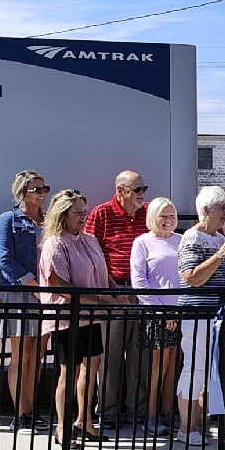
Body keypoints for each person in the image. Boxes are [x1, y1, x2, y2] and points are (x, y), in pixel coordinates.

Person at [37, 189, 110, 448]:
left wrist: (116, 295)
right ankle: (62, 428)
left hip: (91, 317)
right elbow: (58, 284)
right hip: (66, 319)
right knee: (69, 371)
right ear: (63, 215)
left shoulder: (90, 240)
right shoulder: (55, 243)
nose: (83, 216)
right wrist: (100, 301)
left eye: (84, 211)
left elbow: (101, 270)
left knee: (92, 369)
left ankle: (84, 421)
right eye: (77, 212)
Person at [84, 170, 149, 426]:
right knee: (110, 354)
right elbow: (91, 251)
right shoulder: (102, 213)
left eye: (144, 188)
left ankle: (138, 411)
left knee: (140, 354)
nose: (143, 195)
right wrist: (110, 289)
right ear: (121, 190)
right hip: (113, 292)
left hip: (143, 292)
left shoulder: (148, 214)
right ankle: (108, 412)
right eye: (137, 190)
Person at [177, 186, 225, 447]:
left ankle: (202, 423)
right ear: (205, 211)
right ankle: (185, 427)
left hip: (218, 314)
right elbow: (191, 277)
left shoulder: (217, 237)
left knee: (210, 369)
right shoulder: (191, 238)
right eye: (221, 208)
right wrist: (220, 255)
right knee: (195, 367)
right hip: (198, 313)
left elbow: (214, 276)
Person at [0, 170, 49, 434]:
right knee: (22, 355)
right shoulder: (8, 220)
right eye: (36, 189)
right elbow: (5, 260)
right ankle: (20, 414)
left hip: (46, 294)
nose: (42, 194)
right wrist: (34, 286)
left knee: (38, 355)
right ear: (21, 193)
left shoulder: (49, 222)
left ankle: (31, 409)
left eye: (44, 188)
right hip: (20, 293)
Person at [130, 197, 183, 438]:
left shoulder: (182, 241)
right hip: (157, 313)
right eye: (163, 215)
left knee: (174, 366)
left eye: (172, 215)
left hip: (182, 312)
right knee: (157, 366)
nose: (168, 220)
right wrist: (163, 313)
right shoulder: (142, 243)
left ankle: (168, 411)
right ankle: (150, 416)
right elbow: (139, 281)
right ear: (153, 217)